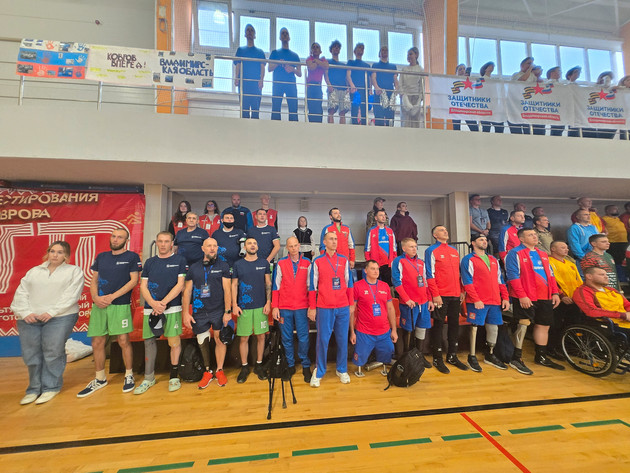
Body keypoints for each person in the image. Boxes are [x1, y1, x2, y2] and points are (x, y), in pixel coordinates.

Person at [11, 241, 84, 405]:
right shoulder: (34, 272)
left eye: (60, 252)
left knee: (53, 351)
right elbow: (21, 292)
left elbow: (71, 295)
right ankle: (34, 389)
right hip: (29, 318)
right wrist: (25, 312)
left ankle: (51, 387)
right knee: (31, 354)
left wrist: (51, 312)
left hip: (60, 317)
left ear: (66, 255)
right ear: (48, 252)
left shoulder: (73, 271)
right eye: (52, 251)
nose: (55, 255)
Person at [78, 228, 142, 397]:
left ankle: (129, 375)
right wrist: (95, 297)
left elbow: (134, 281)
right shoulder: (101, 257)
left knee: (123, 340)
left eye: (120, 237)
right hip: (99, 304)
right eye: (113, 236)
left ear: (126, 240)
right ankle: (100, 378)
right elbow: (94, 280)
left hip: (119, 304)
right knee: (97, 342)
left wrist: (112, 296)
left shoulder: (132, 257)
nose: (115, 239)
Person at [505, 228, 563, 374]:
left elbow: (550, 275)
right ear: (521, 239)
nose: (534, 236)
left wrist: (555, 292)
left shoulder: (542, 254)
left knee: (543, 325)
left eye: (535, 234)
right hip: (526, 296)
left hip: (545, 296)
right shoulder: (515, 253)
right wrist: (522, 295)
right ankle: (516, 358)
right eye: (530, 235)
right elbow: (513, 276)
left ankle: (541, 356)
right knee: (523, 325)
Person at [136, 231, 187, 394]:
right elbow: (143, 286)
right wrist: (153, 303)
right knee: (149, 342)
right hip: (151, 308)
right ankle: (148, 378)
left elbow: (180, 285)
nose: (163, 244)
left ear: (172, 244)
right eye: (160, 241)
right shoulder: (150, 262)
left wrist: (163, 303)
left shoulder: (179, 260)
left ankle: (173, 376)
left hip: (172, 308)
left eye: (166, 241)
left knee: (174, 342)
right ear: (156, 243)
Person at [182, 237, 232, 389]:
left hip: (218, 309)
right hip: (199, 311)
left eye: (215, 246)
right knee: (202, 341)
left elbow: (227, 290)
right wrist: (185, 313)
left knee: (219, 339)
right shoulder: (194, 268)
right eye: (209, 246)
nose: (212, 248)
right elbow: (187, 291)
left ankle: (220, 370)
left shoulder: (223, 266)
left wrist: (227, 311)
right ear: (203, 248)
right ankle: (207, 371)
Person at [308, 232, 354, 387]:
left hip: (342, 306)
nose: (334, 242)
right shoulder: (317, 261)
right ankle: (319, 371)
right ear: (324, 242)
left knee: (342, 339)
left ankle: (342, 369)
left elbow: (349, 283)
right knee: (322, 340)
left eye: (336, 239)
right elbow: (312, 287)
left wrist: (351, 303)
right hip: (324, 307)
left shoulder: (344, 260)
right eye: (331, 239)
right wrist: (312, 307)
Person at [460, 234, 510, 372]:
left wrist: (505, 298)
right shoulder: (468, 259)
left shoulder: (493, 259)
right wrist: (476, 299)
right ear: (473, 243)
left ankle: (490, 354)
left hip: (494, 300)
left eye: (485, 240)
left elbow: (500, 280)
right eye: (481, 239)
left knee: (493, 327)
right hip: (478, 301)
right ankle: (472, 356)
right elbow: (467, 281)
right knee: (474, 327)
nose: (484, 241)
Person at [425, 225, 466, 374]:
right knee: (439, 325)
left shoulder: (454, 251)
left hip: (455, 294)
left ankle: (452, 355)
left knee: (454, 325)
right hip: (441, 295)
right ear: (435, 235)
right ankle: (437, 358)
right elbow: (429, 274)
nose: (445, 231)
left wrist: (462, 290)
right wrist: (435, 294)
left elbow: (459, 273)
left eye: (446, 230)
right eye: (441, 230)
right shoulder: (431, 250)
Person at [272, 236, 312, 383]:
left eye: (295, 245)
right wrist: (275, 306)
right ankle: (290, 365)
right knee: (286, 337)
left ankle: (306, 364)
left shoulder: (307, 263)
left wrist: (311, 306)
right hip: (284, 307)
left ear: (299, 246)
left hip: (302, 307)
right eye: (291, 246)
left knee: (303, 337)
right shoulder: (281, 263)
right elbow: (275, 287)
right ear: (287, 248)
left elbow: (311, 287)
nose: (294, 248)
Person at [232, 238, 271, 383]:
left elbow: (268, 283)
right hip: (244, 307)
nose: (252, 245)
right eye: (249, 243)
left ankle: (259, 365)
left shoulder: (264, 263)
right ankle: (244, 367)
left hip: (261, 306)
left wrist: (268, 302)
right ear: (245, 247)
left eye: (255, 243)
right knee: (244, 338)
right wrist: (234, 304)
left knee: (261, 336)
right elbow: (234, 285)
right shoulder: (238, 264)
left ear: (258, 247)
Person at [350, 260, 398, 377]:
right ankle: (360, 369)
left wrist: (394, 330)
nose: (376, 271)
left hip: (384, 330)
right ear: (365, 271)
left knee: (388, 352)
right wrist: (352, 332)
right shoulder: (357, 286)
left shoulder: (384, 286)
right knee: (360, 357)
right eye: (372, 269)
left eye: (377, 269)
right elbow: (352, 310)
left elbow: (390, 309)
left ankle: (384, 367)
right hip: (364, 331)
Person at [391, 238, 433, 368]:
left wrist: (430, 299)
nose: (414, 249)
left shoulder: (421, 262)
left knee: (422, 327)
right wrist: (406, 298)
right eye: (411, 247)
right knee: (408, 329)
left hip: (423, 302)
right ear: (404, 248)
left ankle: (419, 356)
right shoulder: (399, 261)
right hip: (409, 303)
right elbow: (397, 282)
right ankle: (407, 357)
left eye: (415, 246)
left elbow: (426, 282)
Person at [548, 241, 583, 359]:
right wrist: (561, 295)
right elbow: (550, 281)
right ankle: (552, 348)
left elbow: (579, 281)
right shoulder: (548, 262)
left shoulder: (571, 263)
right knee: (556, 325)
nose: (566, 249)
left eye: (567, 248)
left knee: (573, 324)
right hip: (559, 299)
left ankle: (569, 348)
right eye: (562, 247)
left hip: (574, 299)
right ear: (553, 249)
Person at [234, 24, 266, 119]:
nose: (249, 32)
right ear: (245, 34)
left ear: (255, 35)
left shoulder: (260, 52)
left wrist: (261, 80)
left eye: (252, 30)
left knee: (255, 111)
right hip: (243, 84)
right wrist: (236, 78)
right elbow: (238, 64)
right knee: (244, 111)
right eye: (248, 30)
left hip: (256, 84)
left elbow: (262, 67)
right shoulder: (240, 50)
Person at [269, 27, 301, 122]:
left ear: (289, 37)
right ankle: (275, 128)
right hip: (277, 83)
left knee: (293, 107)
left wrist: (292, 69)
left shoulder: (295, 55)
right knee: (276, 107)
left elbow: (299, 73)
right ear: (280, 37)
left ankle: (294, 128)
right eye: (283, 33)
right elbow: (269, 68)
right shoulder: (274, 53)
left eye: (286, 33)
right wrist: (278, 63)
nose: (285, 35)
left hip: (291, 84)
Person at [364, 209, 396, 285]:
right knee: (374, 283)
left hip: (388, 264)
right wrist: (369, 262)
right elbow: (367, 248)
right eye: (381, 215)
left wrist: (393, 260)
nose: (383, 217)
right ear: (376, 218)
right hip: (375, 263)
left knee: (388, 285)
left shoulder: (390, 231)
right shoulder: (371, 231)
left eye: (384, 215)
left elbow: (394, 248)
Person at [371, 46, 398, 127]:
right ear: (379, 53)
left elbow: (395, 80)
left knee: (390, 118)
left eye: (386, 50)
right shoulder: (375, 65)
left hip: (390, 94)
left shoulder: (393, 67)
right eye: (382, 50)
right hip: (379, 94)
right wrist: (376, 87)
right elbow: (373, 77)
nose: (384, 51)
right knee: (379, 117)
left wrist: (396, 89)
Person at [399, 47, 423, 128]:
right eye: (408, 55)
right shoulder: (404, 69)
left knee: (415, 122)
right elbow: (400, 84)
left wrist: (420, 99)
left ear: (416, 55)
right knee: (405, 122)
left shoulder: (420, 69)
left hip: (416, 97)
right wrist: (403, 96)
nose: (408, 56)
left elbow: (422, 85)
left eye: (410, 54)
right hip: (405, 98)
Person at [509, 57, 535, 134]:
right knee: (516, 132)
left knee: (527, 132)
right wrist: (530, 69)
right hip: (515, 105)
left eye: (532, 64)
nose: (530, 65)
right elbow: (522, 80)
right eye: (529, 63)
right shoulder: (516, 74)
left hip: (527, 106)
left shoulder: (532, 76)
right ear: (522, 65)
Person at [306, 42, 330, 123]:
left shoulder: (323, 60)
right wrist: (319, 63)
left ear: (320, 51)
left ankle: (318, 124)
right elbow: (311, 67)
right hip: (310, 87)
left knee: (318, 107)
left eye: (317, 47)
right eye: (314, 47)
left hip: (318, 86)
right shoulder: (309, 59)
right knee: (311, 107)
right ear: (311, 51)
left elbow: (326, 66)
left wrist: (316, 61)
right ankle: (311, 125)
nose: (315, 49)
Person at [327, 40, 350, 124]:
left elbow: (346, 77)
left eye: (338, 47)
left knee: (343, 111)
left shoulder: (343, 65)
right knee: (331, 110)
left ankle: (342, 129)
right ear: (331, 50)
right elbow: (325, 75)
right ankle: (330, 128)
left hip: (343, 89)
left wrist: (348, 87)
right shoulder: (328, 62)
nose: (336, 48)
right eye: (334, 47)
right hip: (333, 88)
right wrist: (329, 85)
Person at [347, 43, 370, 125]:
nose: (360, 49)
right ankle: (354, 125)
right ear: (354, 51)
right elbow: (348, 75)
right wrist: (351, 85)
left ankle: (364, 126)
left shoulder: (366, 65)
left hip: (364, 89)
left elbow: (369, 79)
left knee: (364, 109)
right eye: (359, 48)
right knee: (354, 109)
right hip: (354, 89)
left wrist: (370, 90)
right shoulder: (351, 62)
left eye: (362, 48)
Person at [479, 62, 504, 133]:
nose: (492, 67)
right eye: (490, 66)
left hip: (494, 106)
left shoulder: (494, 80)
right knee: (486, 128)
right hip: (485, 106)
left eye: (493, 66)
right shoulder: (481, 79)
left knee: (499, 126)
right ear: (485, 69)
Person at [452, 63, 478, 132]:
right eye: (460, 69)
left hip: (467, 107)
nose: (462, 71)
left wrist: (468, 80)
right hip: (456, 107)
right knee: (456, 128)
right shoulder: (452, 82)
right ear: (456, 72)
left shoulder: (470, 82)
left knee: (474, 129)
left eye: (464, 69)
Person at [546, 66, 565, 136]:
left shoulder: (561, 84)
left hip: (561, 108)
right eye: (558, 71)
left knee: (561, 127)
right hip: (554, 108)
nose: (560, 73)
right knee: (556, 127)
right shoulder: (548, 83)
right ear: (552, 73)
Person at [565, 66, 582, 137]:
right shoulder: (566, 86)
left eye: (578, 72)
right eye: (575, 72)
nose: (577, 74)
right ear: (569, 75)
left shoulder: (578, 86)